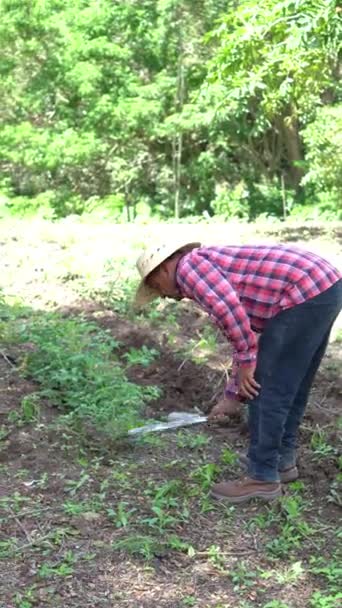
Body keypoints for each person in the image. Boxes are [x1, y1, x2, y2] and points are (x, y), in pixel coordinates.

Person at [134, 239, 342, 503]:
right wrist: (232, 395)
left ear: (164, 268)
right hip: (323, 287)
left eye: (156, 287)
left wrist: (246, 364)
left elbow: (228, 311)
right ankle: (281, 460)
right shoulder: (205, 263)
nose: (162, 295)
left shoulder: (189, 268)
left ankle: (262, 477)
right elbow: (243, 329)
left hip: (304, 292)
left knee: (265, 388)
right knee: (292, 384)